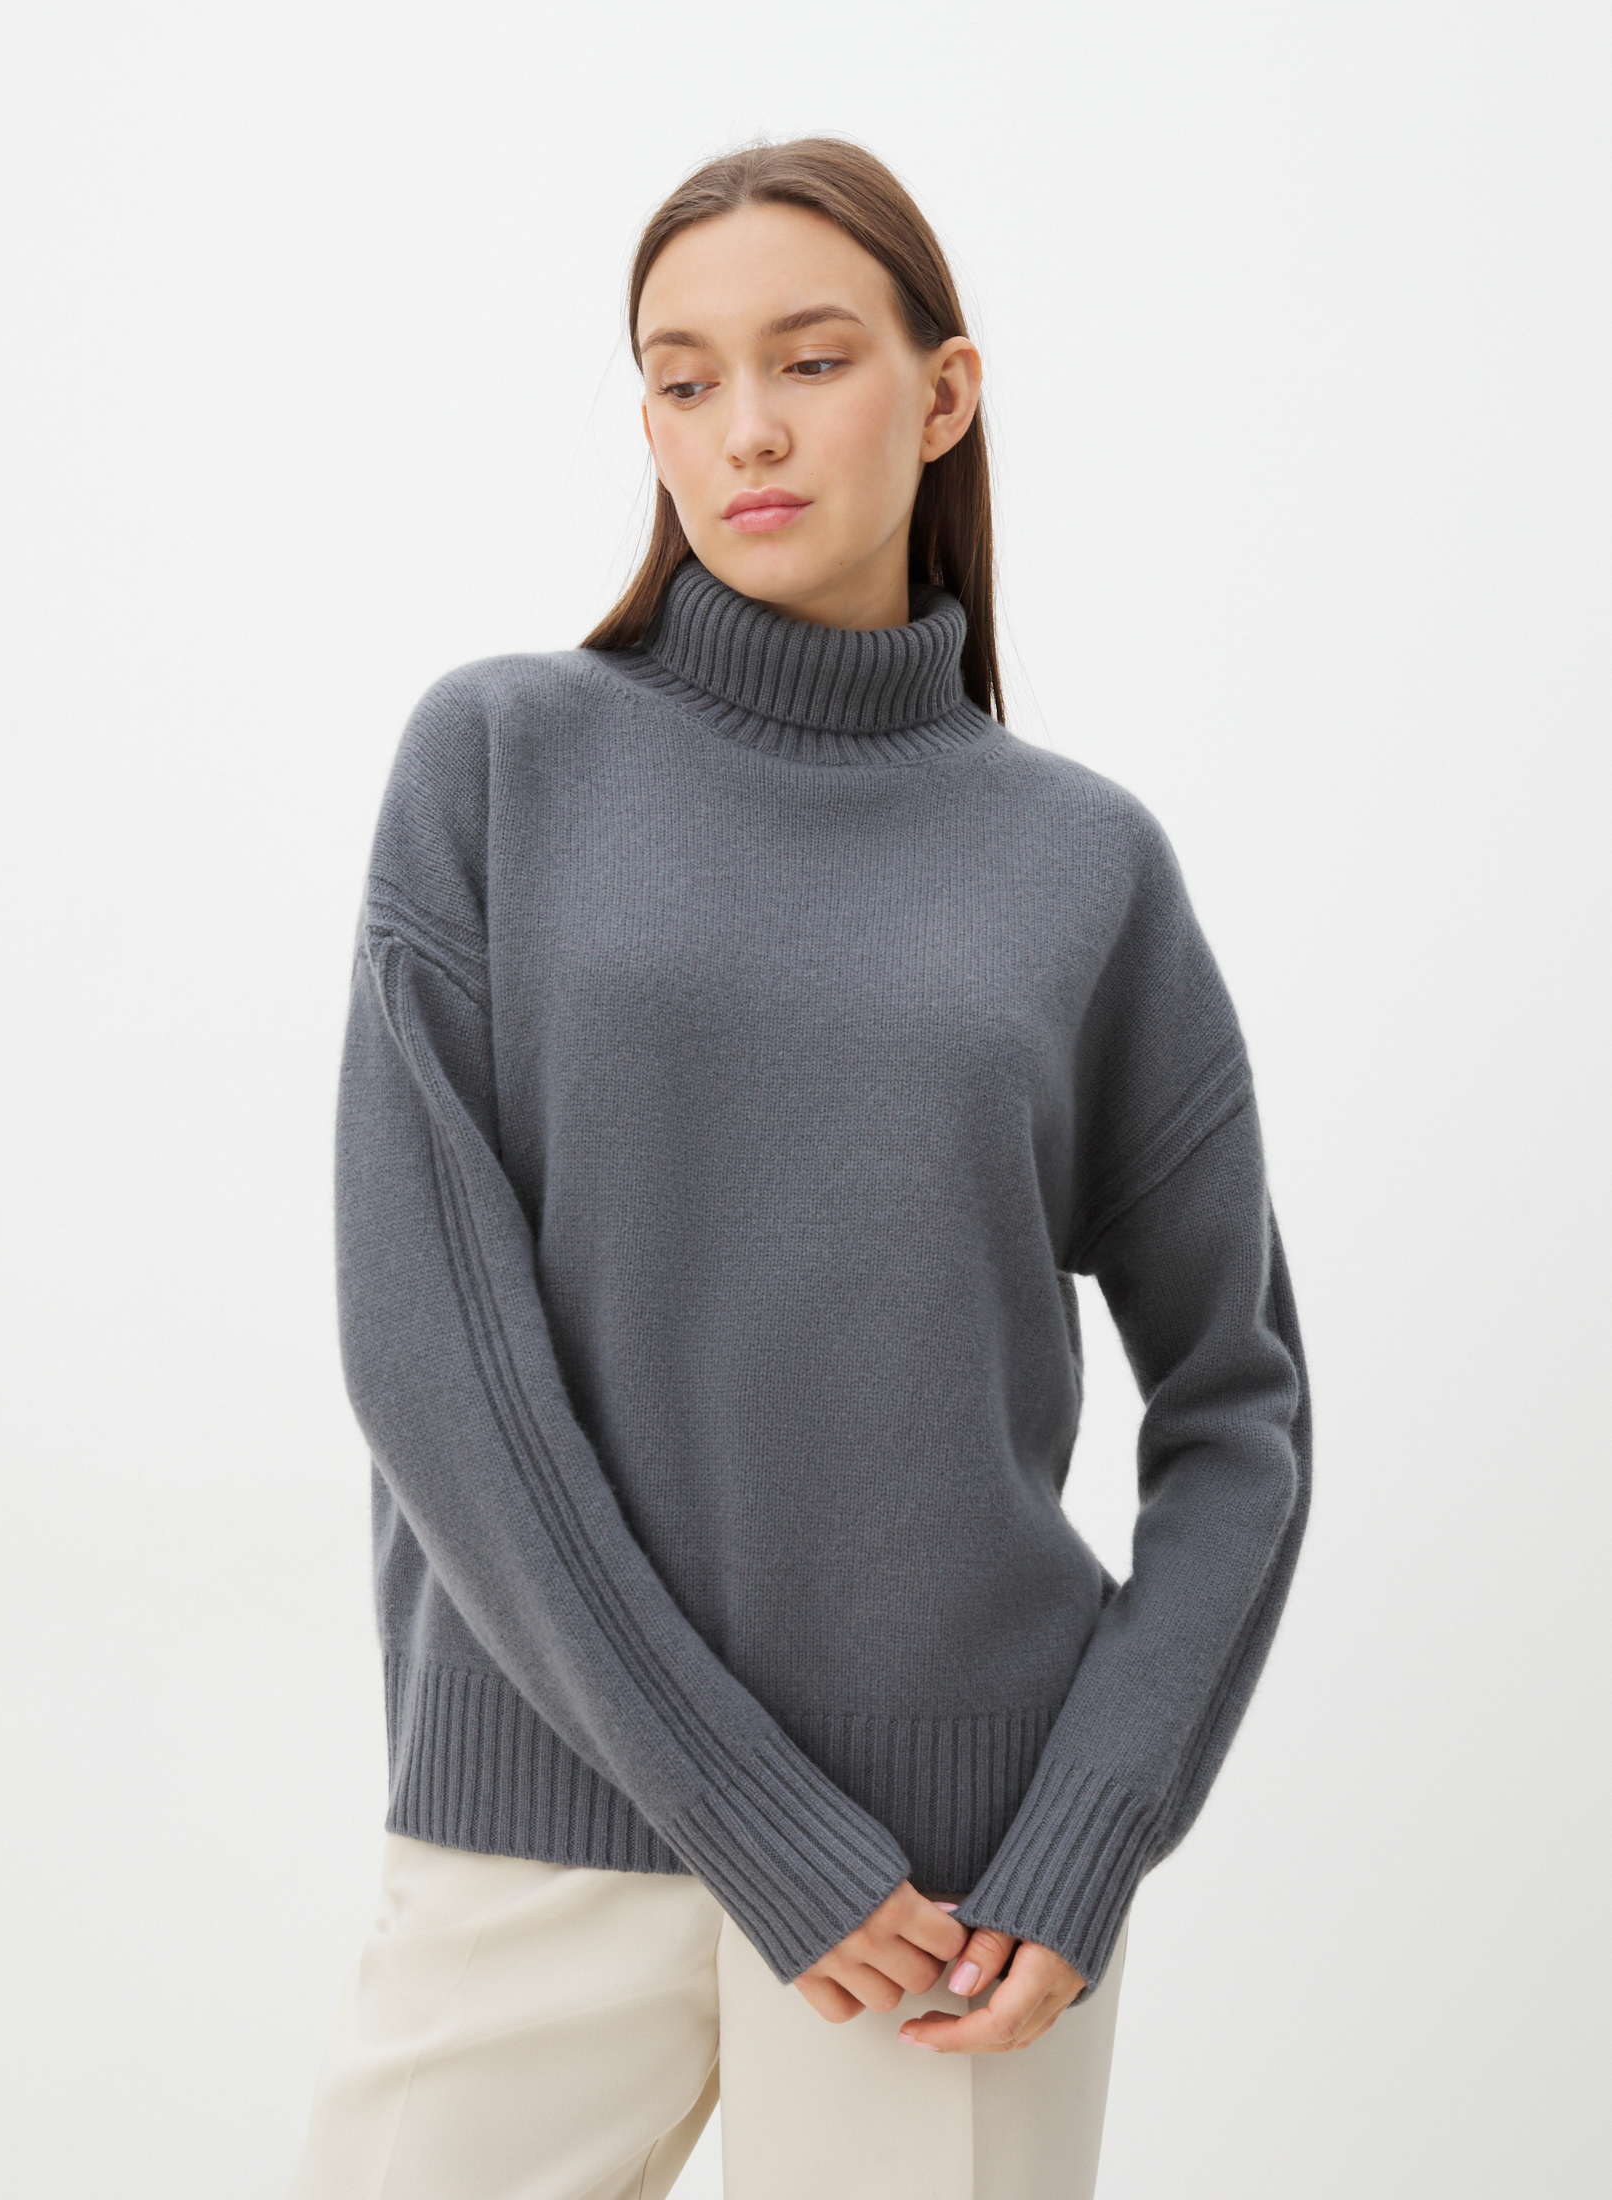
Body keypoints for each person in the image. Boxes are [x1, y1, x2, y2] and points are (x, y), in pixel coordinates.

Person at [284, 136, 1312, 2200]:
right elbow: (430, 1360)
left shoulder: (1080, 864)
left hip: (960, 1900)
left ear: (942, 396)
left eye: (810, 359)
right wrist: (750, 1816)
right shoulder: (496, 763)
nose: (740, 428)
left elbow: (1239, 1412)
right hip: (536, 1824)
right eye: (680, 378)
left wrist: (1093, 1827)